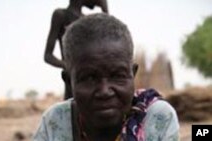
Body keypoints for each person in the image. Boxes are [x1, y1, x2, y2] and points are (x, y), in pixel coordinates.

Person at [34, 14, 179, 141]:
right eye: (90, 78)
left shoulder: (157, 118)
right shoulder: (55, 122)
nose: (104, 91)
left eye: (117, 76)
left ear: (132, 74)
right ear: (68, 81)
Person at [44, 0, 108, 100]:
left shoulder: (87, 21)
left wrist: (105, 10)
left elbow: (108, 42)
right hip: (74, 82)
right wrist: (70, 67)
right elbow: (48, 56)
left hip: (92, 81)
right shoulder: (61, 15)